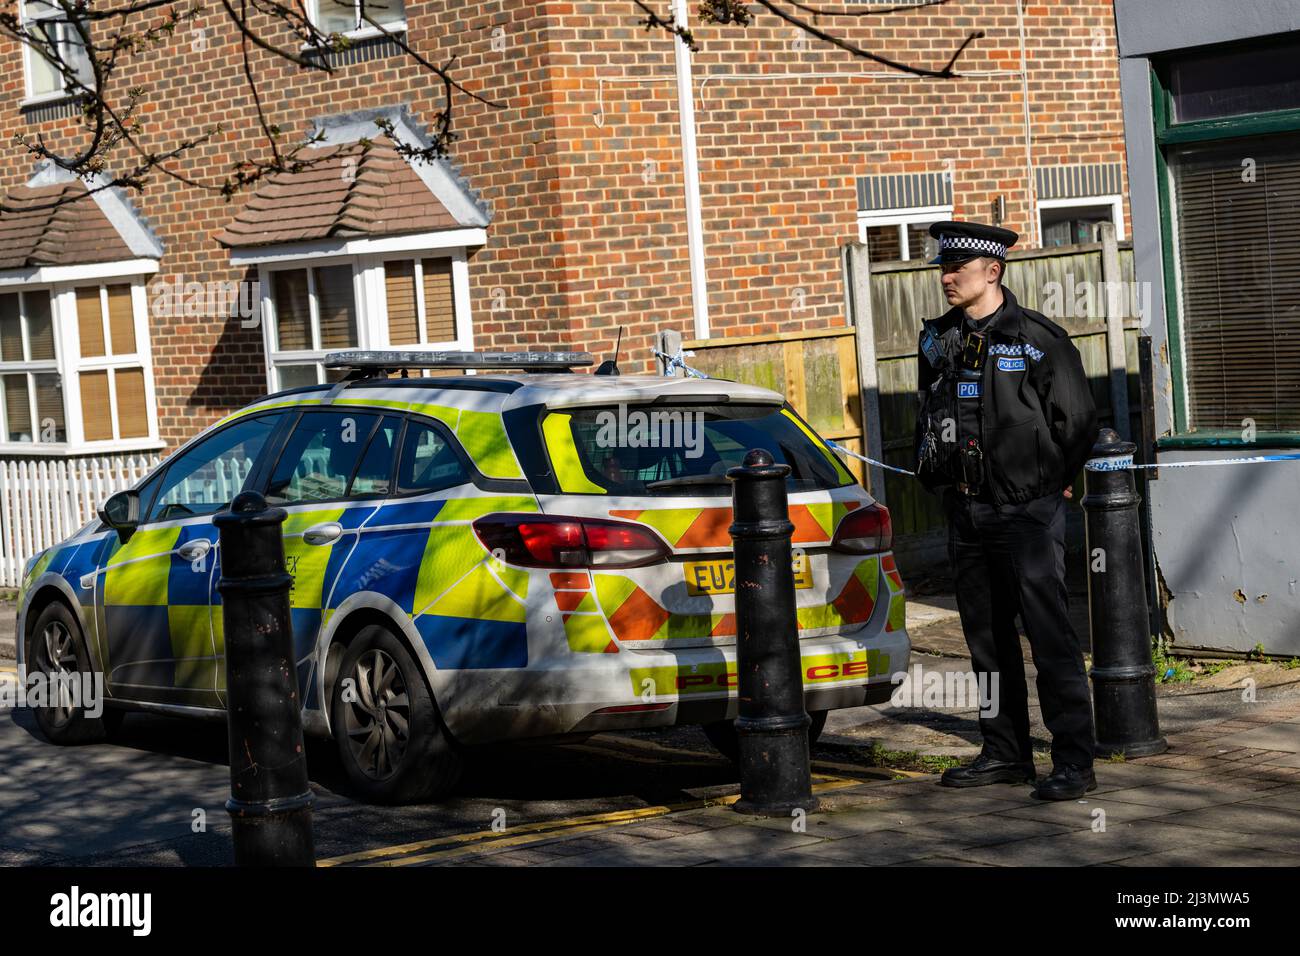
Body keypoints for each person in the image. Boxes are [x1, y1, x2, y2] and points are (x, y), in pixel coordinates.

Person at [912, 220, 1101, 800]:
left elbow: (1079, 422)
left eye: (957, 269)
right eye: (943, 268)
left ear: (992, 271)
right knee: (987, 643)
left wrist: (1052, 484)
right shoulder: (937, 340)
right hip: (967, 512)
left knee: (1050, 639)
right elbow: (931, 418)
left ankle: (1073, 762)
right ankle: (1005, 752)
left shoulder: (1038, 339)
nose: (945, 278)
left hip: (1027, 513)